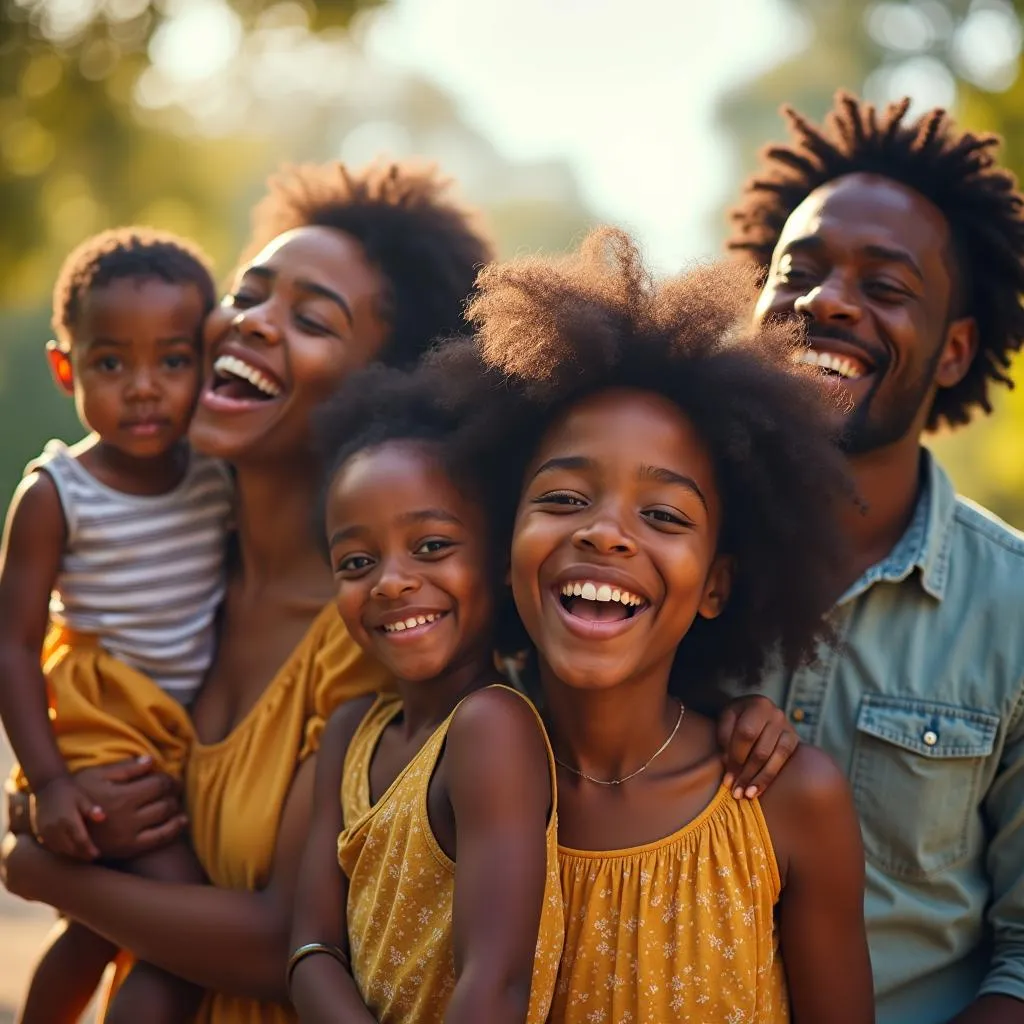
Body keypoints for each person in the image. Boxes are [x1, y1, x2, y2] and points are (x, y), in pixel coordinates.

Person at [1, 159, 494, 1024]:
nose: (253, 325)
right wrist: (63, 799)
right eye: (249, 291)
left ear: (378, 389)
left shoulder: (373, 638)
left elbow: (288, 944)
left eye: (309, 319)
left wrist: (51, 874)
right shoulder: (160, 562)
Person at [428, 228, 875, 1022]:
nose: (606, 533)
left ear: (716, 585)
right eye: (564, 498)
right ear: (504, 549)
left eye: (664, 514)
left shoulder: (787, 804)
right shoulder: (432, 770)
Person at [727, 91, 1024, 1024]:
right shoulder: (652, 552)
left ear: (953, 351)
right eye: (799, 271)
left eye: (886, 288)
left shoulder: (1013, 607)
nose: (829, 302)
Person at [0, 228, 232, 1024]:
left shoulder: (216, 477)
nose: (143, 388)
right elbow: (13, 646)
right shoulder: (56, 495)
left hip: (183, 739)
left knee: (99, 934)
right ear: (66, 367)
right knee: (179, 924)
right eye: (111, 363)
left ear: (207, 364)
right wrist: (51, 783)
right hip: (101, 735)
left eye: (172, 361)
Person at [289, 365, 562, 1023]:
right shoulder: (354, 732)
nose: (389, 583)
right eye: (356, 562)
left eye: (432, 546)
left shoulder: (491, 727)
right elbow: (308, 945)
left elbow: (494, 985)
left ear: (499, 562)